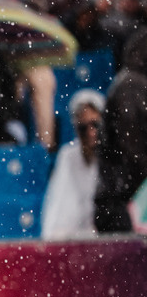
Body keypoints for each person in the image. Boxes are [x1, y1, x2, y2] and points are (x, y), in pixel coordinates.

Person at [95, 27, 147, 233]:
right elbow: (134, 153)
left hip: (124, 198)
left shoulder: (132, 84)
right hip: (123, 203)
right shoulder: (131, 88)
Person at [41, 89, 105, 239]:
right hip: (78, 241)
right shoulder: (68, 156)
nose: (91, 133)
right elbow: (57, 208)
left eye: (95, 125)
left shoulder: (114, 155)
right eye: (83, 128)